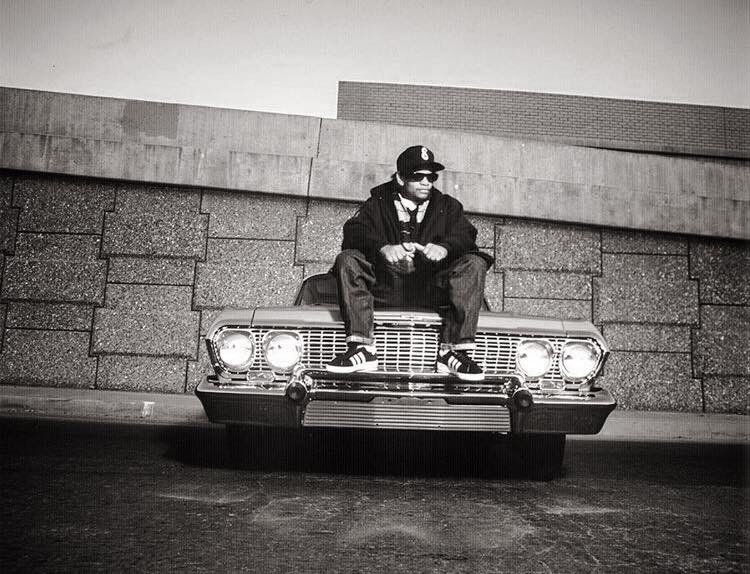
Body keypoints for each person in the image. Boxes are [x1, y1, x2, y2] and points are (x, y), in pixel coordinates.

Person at [326, 145, 494, 381]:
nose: (426, 183)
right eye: (418, 177)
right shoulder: (377, 203)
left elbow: (466, 234)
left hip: (431, 289)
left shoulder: (448, 206)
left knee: (475, 262)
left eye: (431, 177)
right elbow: (354, 231)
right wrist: (384, 248)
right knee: (348, 259)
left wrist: (445, 247)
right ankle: (362, 348)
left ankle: (454, 352)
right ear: (400, 178)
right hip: (386, 287)